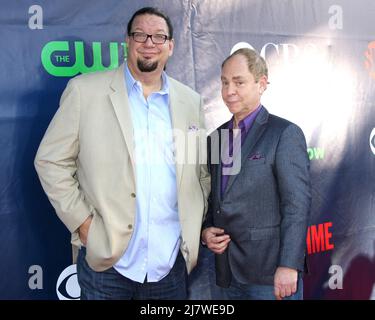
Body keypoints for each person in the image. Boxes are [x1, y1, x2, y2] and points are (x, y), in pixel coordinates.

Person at [34, 7, 210, 300]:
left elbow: (200, 173)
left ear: (171, 46)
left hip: (169, 266)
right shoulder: (85, 91)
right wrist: (83, 223)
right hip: (109, 264)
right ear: (127, 41)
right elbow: (50, 161)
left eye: (158, 36)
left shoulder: (190, 102)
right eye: (140, 34)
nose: (149, 42)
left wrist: (194, 227)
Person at [202, 48, 311, 300]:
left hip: (270, 274)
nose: (229, 91)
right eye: (224, 82)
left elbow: (296, 204)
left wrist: (288, 265)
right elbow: (211, 198)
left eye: (239, 82)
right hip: (225, 273)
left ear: (261, 84)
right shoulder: (215, 138)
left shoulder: (284, 133)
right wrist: (206, 232)